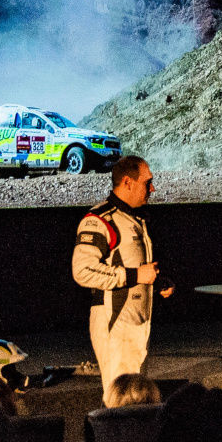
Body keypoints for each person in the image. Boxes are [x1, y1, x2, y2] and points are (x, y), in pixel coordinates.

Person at [73, 155, 172, 406]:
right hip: (115, 324)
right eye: (147, 182)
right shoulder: (99, 220)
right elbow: (82, 270)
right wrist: (136, 276)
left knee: (136, 401)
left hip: (136, 324)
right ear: (127, 182)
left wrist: (156, 282)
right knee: (121, 403)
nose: (152, 188)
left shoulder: (135, 219)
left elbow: (134, 268)